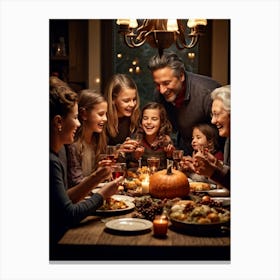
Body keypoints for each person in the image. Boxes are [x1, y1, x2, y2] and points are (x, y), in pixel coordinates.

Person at [49, 82, 123, 248]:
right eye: (74, 118)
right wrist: (102, 195)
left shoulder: (57, 153)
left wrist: (98, 175)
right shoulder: (52, 160)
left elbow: (66, 199)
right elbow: (69, 213)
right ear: (58, 122)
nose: (78, 124)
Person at [148, 51, 222, 156]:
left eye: (166, 83)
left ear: (181, 75)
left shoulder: (207, 93)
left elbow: (226, 135)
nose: (162, 90)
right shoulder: (159, 94)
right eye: (157, 84)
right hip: (183, 153)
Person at [66, 89, 110, 187]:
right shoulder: (73, 145)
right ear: (84, 114)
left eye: (106, 114)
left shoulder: (97, 140)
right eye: (101, 114)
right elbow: (76, 183)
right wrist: (97, 176)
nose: (105, 119)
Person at [193, 85, 230, 189]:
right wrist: (217, 164)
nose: (213, 121)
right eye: (212, 115)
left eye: (217, 114)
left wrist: (213, 172)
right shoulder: (229, 140)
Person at [130, 102, 175, 169]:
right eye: (145, 118)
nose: (148, 122)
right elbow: (129, 165)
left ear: (161, 122)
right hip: (142, 177)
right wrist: (136, 157)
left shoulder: (166, 141)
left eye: (154, 119)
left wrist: (169, 155)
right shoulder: (136, 140)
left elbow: (172, 167)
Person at [104, 73, 140, 146]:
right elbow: (98, 152)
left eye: (134, 99)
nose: (132, 104)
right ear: (113, 99)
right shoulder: (103, 120)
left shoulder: (136, 117)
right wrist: (119, 149)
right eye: (126, 101)